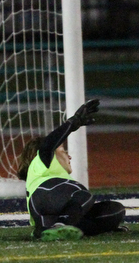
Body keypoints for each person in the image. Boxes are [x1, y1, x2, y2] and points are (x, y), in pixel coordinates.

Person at [17, 99, 126, 241]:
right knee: (81, 194)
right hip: (45, 196)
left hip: (45, 214)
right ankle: (61, 225)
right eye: (63, 150)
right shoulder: (40, 161)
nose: (69, 155)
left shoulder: (48, 176)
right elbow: (47, 145)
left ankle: (46, 230)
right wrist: (73, 123)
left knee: (115, 211)